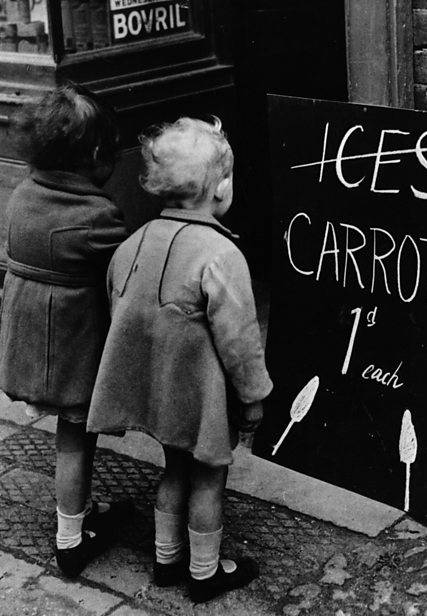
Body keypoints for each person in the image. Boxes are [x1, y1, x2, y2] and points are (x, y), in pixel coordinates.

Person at [87, 116, 273, 603]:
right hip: (203, 397)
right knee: (209, 476)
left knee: (173, 469)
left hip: (159, 391)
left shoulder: (134, 242)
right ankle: (206, 571)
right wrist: (254, 397)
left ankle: (166, 558)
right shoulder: (219, 254)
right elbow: (240, 338)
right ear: (222, 188)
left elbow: (118, 305)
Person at [0, 83, 130, 578]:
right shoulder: (96, 216)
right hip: (70, 349)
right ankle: (71, 539)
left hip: (29, 339)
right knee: (75, 437)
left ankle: (78, 512)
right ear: (97, 156)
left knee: (69, 435)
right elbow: (128, 264)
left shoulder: (23, 194)